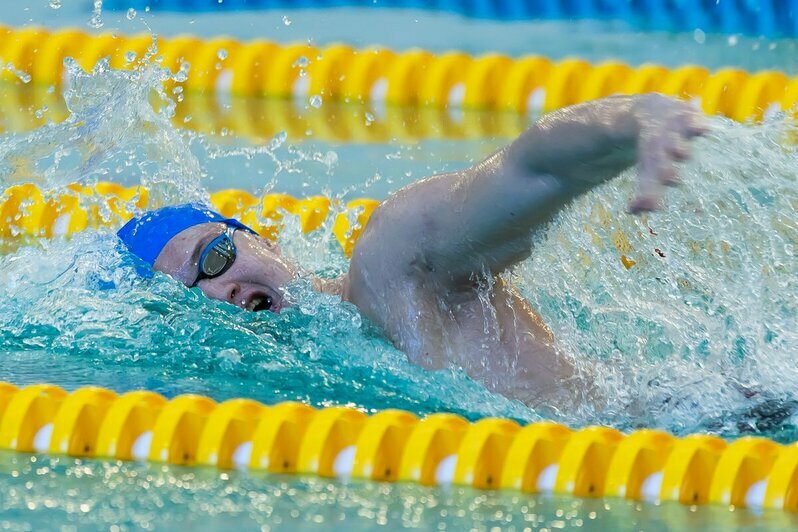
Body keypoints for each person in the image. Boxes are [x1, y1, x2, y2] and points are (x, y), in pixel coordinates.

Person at [117, 93, 706, 410]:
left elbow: (527, 169)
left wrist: (630, 122)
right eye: (189, 298)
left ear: (260, 239)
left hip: (704, 418)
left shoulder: (392, 265)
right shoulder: (312, 381)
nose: (219, 293)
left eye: (213, 258)